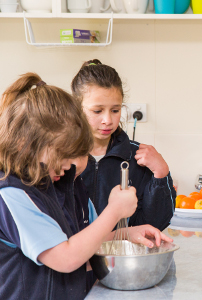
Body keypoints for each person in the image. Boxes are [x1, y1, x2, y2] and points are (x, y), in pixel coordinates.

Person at [0, 73, 172, 300]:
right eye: (63, 153)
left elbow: (88, 240)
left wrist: (127, 234)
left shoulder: (66, 185)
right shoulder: (12, 195)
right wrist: (114, 211)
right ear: (27, 143)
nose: (68, 164)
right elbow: (66, 257)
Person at [71, 59, 175, 231]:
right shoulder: (61, 158)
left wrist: (161, 174)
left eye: (115, 110)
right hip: (73, 256)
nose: (108, 120)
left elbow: (153, 226)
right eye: (97, 111)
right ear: (76, 107)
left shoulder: (138, 157)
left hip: (123, 256)